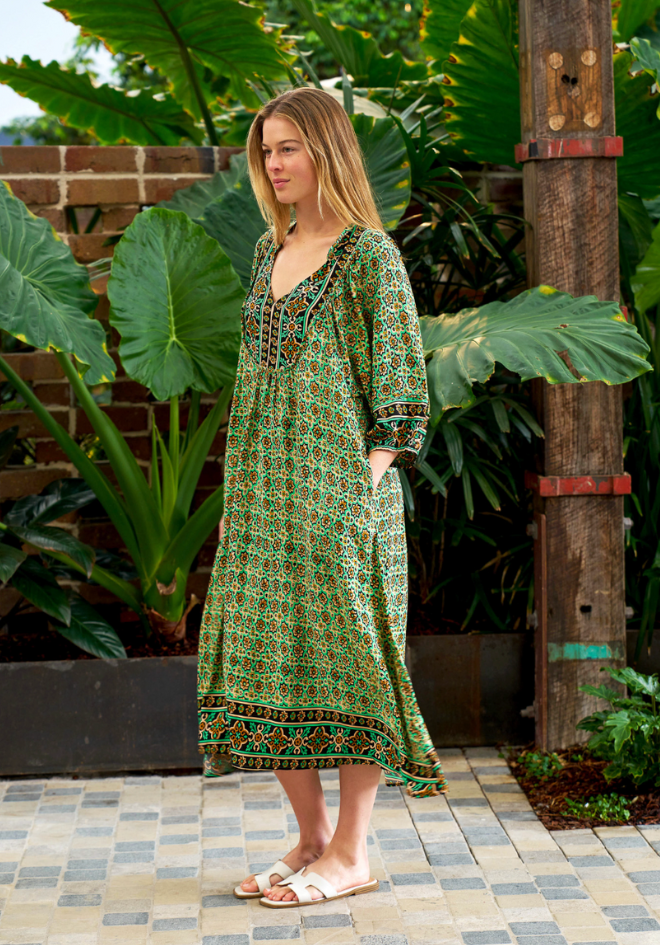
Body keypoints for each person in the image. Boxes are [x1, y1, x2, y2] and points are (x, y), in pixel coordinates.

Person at [197, 86, 447, 909]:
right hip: (267, 500)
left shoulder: (369, 255)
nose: (273, 164)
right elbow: (253, 385)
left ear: (326, 153)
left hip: (342, 499)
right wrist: (241, 491)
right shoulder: (271, 252)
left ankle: (352, 848)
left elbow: (403, 393)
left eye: (288, 148)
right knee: (268, 656)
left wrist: (358, 484)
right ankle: (307, 837)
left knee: (353, 665)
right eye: (266, 150)